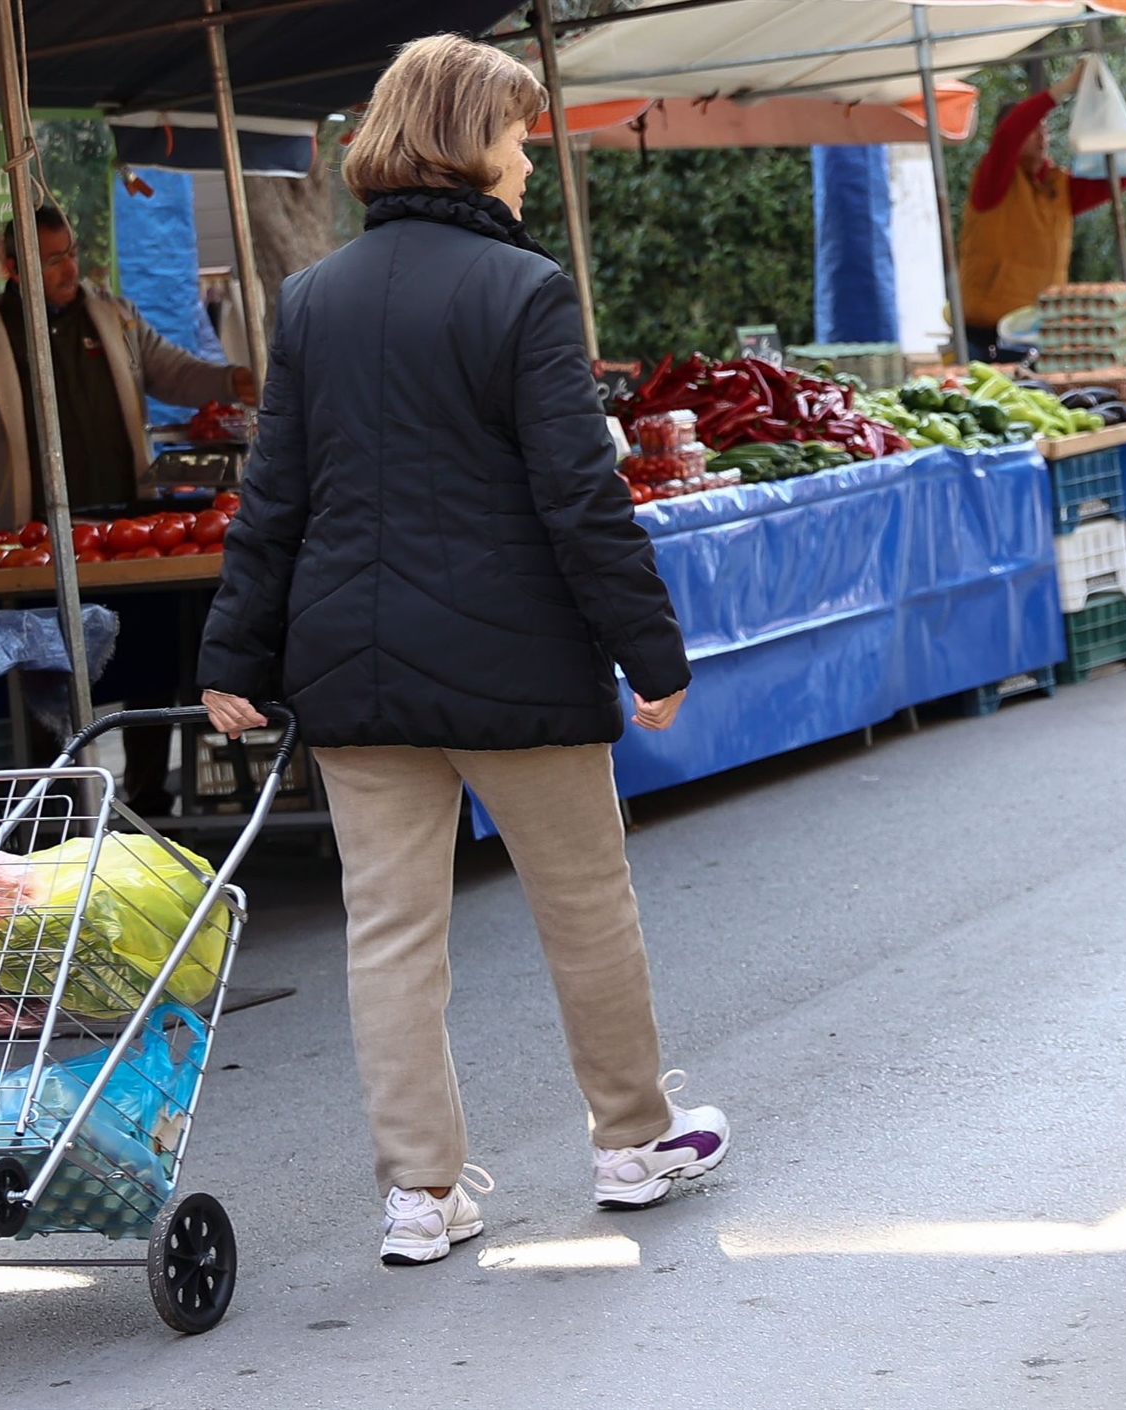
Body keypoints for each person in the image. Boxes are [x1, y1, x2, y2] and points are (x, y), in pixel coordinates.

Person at [197, 34, 728, 1267]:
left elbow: (270, 498)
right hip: (515, 667)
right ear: (465, 139)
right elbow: (578, 498)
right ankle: (631, 1142)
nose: (529, 161)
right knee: (584, 911)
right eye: (518, 134)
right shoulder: (523, 292)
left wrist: (232, 654)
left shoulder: (312, 298)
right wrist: (651, 652)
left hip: (354, 668)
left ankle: (419, 1197)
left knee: (387, 934)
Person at [0, 206, 254, 813]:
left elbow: (174, 374)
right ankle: (64, 806)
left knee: (153, 664)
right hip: (38, 545)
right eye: (51, 258)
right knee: (50, 683)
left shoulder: (114, 316)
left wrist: (232, 379)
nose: (68, 267)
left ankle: (151, 795)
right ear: (12, 265)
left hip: (127, 533)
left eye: (70, 252)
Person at [959, 63, 1126, 360]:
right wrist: (1064, 88)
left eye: (1045, 130)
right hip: (988, 332)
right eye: (1032, 131)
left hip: (1042, 330)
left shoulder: (1059, 185)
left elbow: (1123, 176)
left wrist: (1106, 111)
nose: (1041, 138)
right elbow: (1011, 134)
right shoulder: (994, 180)